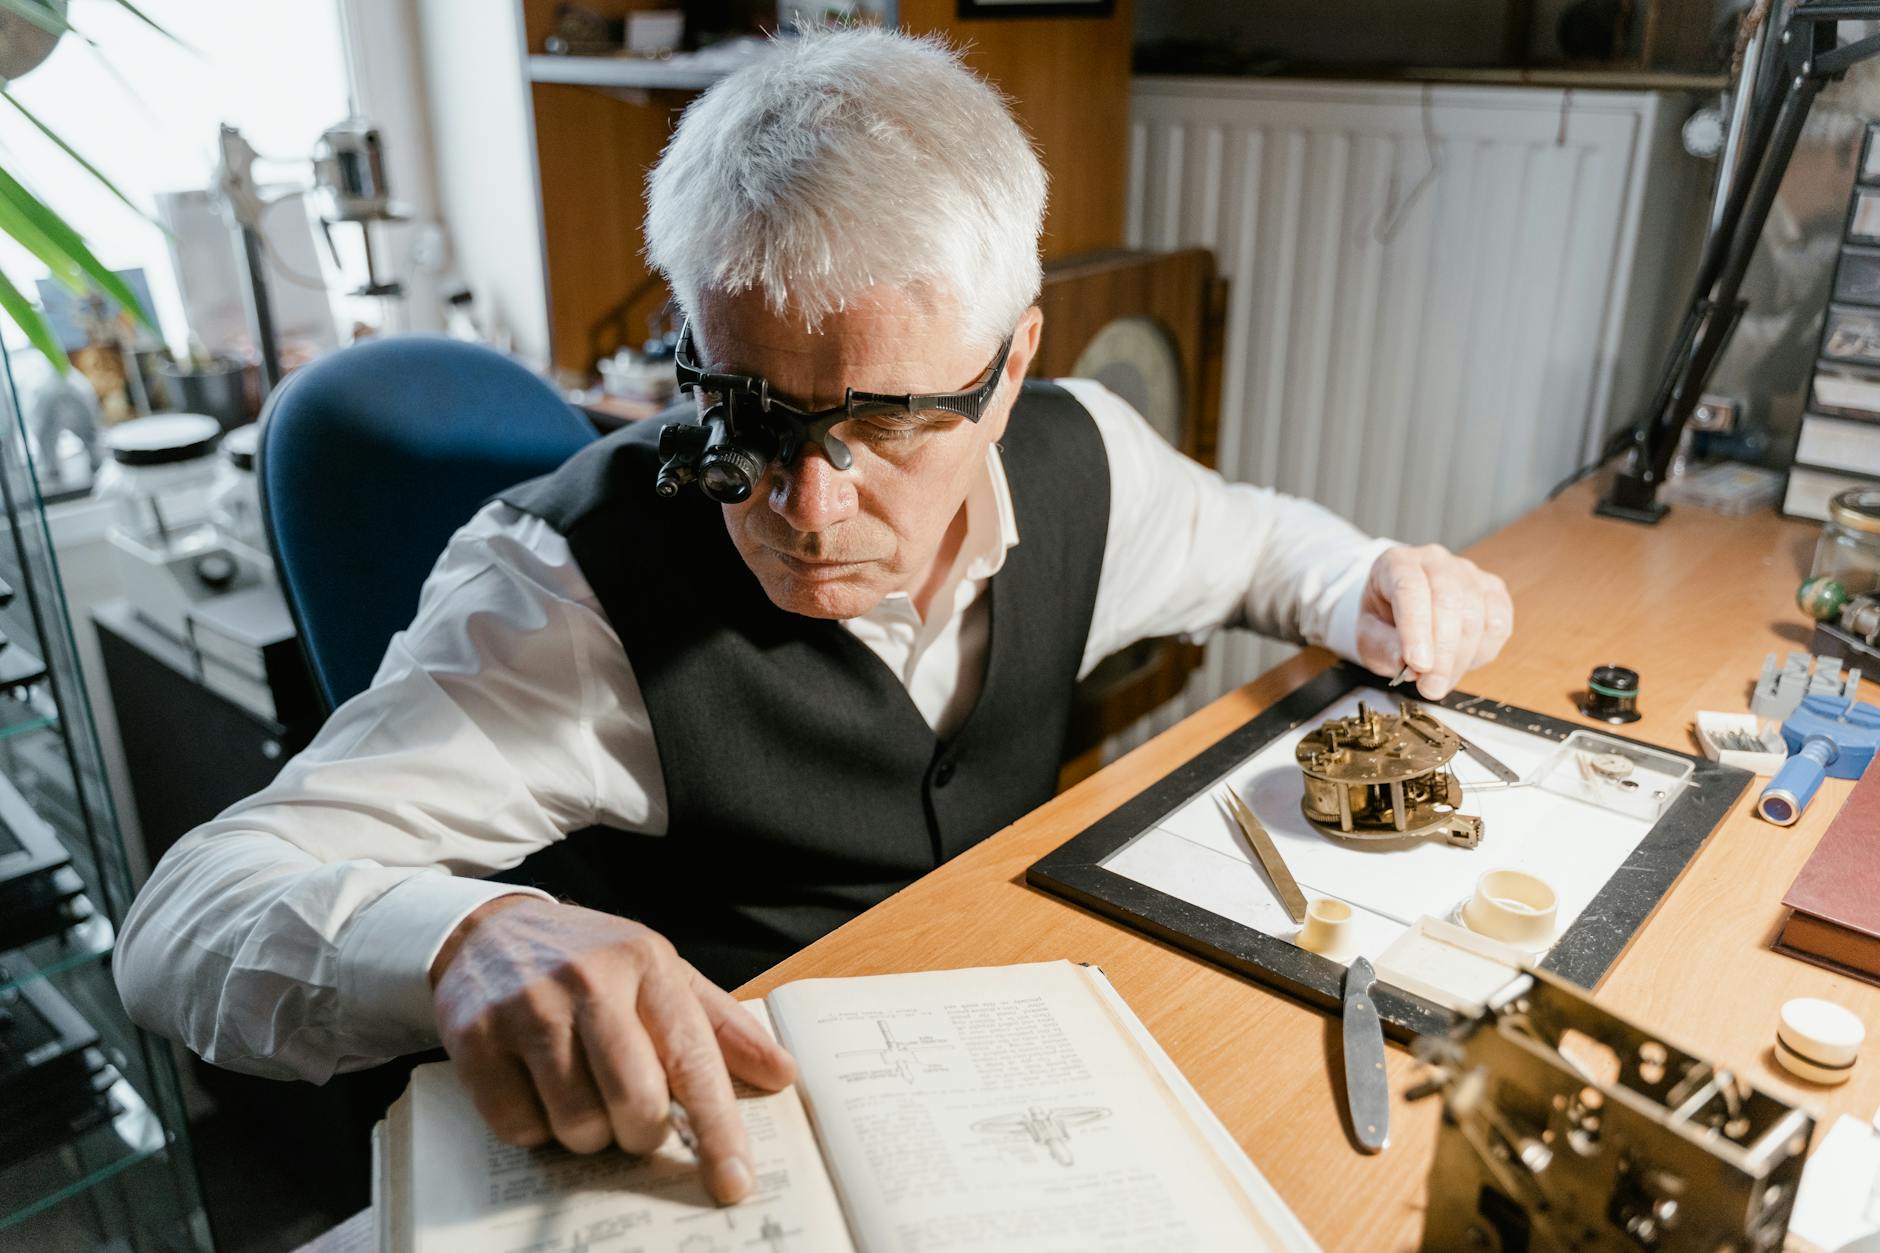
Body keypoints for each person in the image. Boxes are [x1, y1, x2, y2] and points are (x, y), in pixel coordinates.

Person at [117, 28, 1512, 1207]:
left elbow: (1266, 543)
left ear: (1011, 365)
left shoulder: (1088, 457)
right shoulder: (562, 593)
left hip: (1009, 1097)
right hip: (721, 1168)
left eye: (889, 424)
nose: (806, 502)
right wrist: (453, 936)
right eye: (748, 411)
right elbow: (180, 920)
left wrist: (1373, 577)